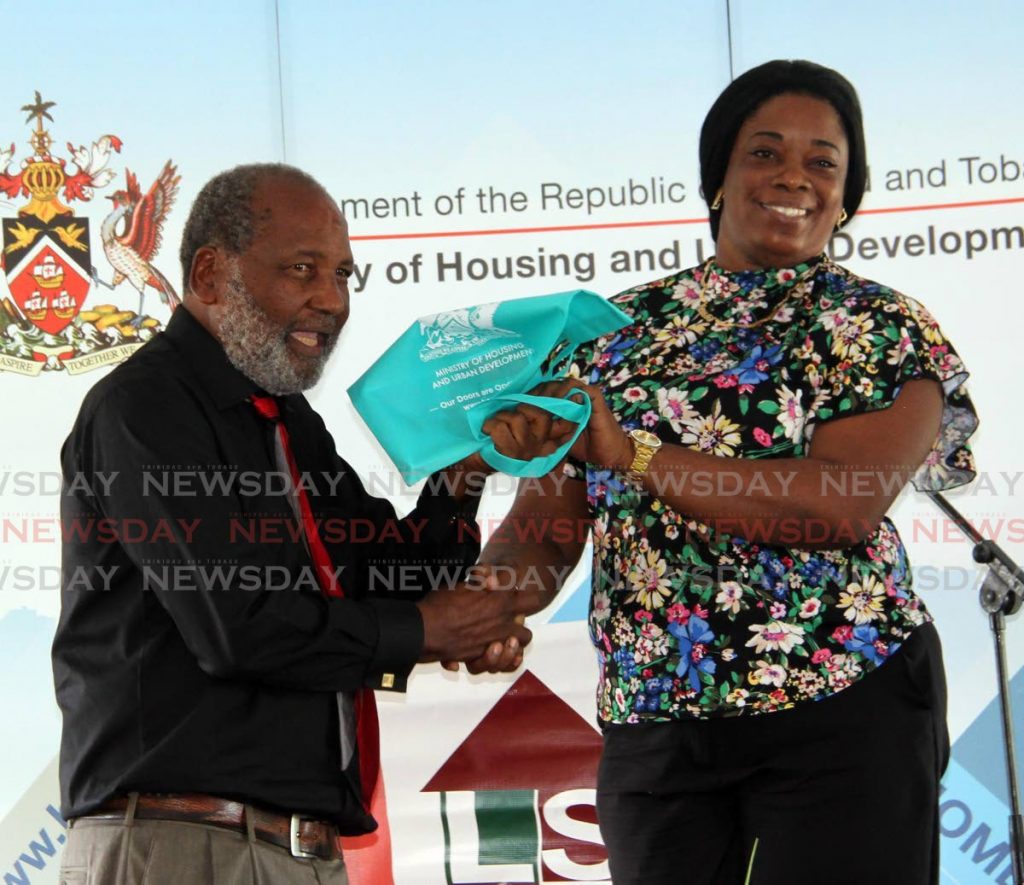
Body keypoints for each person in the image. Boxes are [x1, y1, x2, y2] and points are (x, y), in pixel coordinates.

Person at [478, 60, 978, 884]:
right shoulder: (607, 334)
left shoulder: (881, 325)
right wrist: (491, 603)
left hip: (840, 706)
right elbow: (545, 527)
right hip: (657, 722)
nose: (793, 177)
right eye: (765, 153)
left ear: (848, 197)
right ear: (718, 177)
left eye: (824, 162)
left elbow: (841, 507)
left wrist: (636, 453)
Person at [52, 163, 551, 884]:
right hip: (180, 846)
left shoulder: (285, 421)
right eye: (303, 269)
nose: (332, 300)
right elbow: (239, 626)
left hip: (295, 851)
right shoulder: (144, 408)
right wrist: (433, 629)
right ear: (210, 273)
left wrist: (465, 474)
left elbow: (383, 572)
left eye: (345, 274)